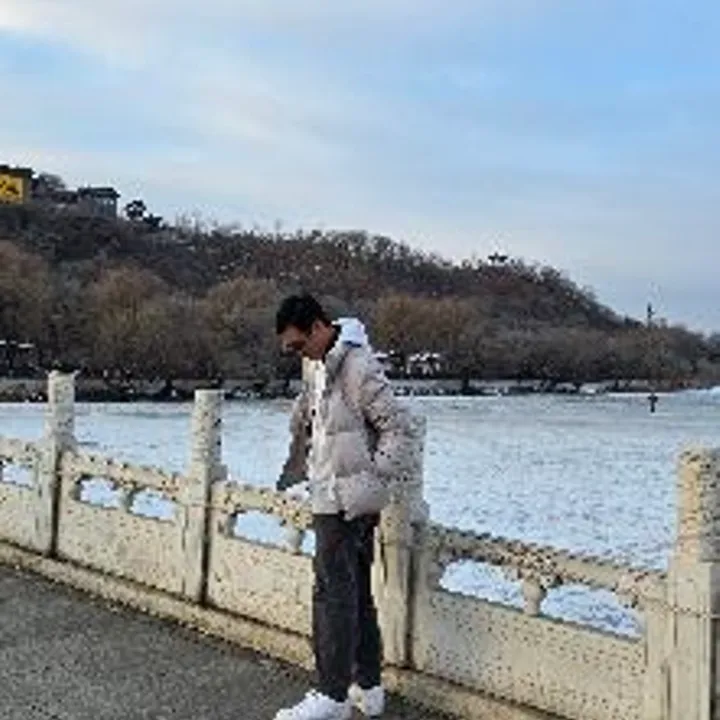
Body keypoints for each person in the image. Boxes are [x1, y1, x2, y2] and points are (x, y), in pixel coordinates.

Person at [274, 294, 413, 720]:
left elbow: (399, 430)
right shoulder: (319, 364)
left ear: (319, 327)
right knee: (354, 594)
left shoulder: (358, 366)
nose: (297, 354)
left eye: (299, 344)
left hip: (345, 499)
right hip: (329, 492)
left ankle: (331, 696)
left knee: (331, 597)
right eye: (290, 349)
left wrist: (372, 479)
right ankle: (368, 687)